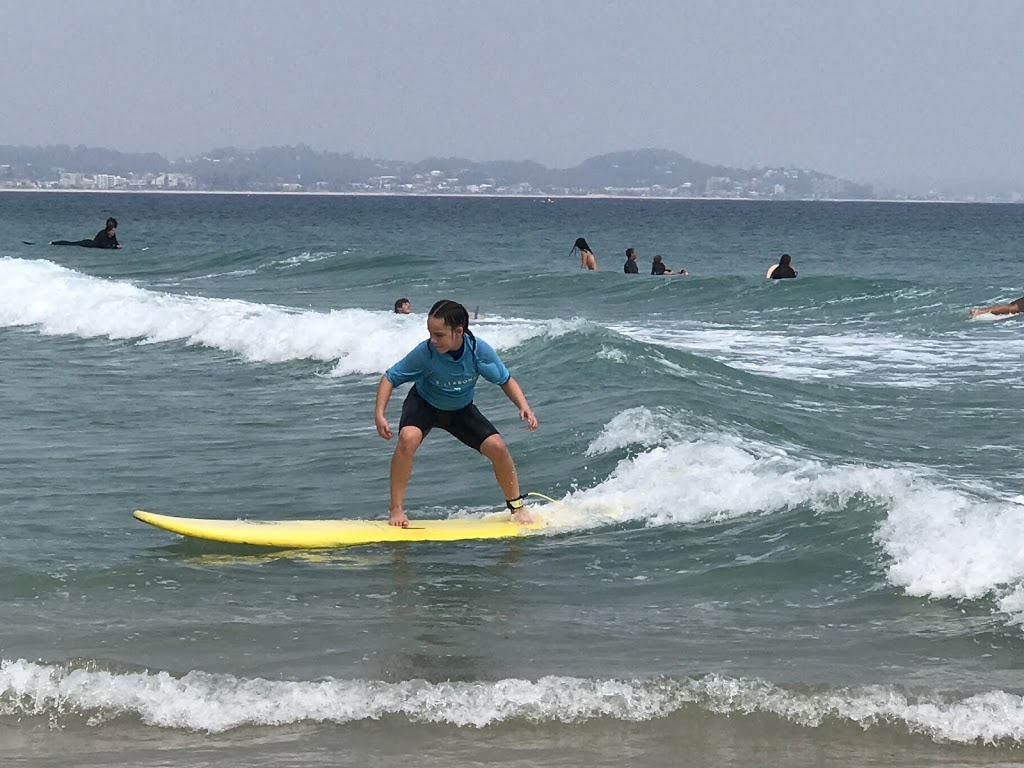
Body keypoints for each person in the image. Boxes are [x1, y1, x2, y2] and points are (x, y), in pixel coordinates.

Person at [374, 299, 539, 527]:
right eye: (430, 333)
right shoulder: (426, 353)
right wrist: (380, 413)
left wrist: (524, 407)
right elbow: (390, 377)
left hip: (460, 409)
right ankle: (396, 509)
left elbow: (505, 380)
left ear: (458, 331)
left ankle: (517, 507)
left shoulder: (478, 353)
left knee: (498, 448)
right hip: (424, 403)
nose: (433, 340)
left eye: (439, 335)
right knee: (407, 438)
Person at [50, 217, 122, 249]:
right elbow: (104, 246)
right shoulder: (102, 234)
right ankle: (54, 243)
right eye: (112, 230)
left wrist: (117, 246)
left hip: (92, 243)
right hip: (89, 244)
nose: (114, 232)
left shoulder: (113, 235)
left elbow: (115, 243)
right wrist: (114, 247)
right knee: (71, 243)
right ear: (108, 230)